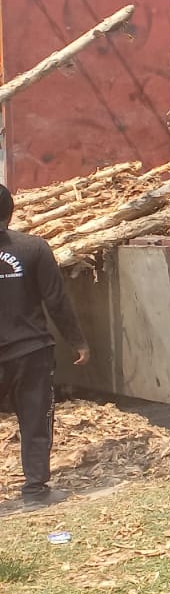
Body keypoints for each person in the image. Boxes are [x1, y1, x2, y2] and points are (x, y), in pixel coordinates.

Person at [0, 183, 89, 510]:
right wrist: (78, 342)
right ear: (10, 212)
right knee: (35, 420)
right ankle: (36, 492)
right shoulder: (34, 248)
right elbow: (57, 301)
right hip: (31, 352)